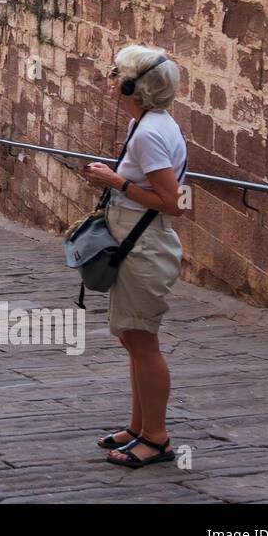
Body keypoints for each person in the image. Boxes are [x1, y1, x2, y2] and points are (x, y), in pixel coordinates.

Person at [81, 45, 187, 469]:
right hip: (133, 241)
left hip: (145, 247)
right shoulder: (145, 122)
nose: (109, 79)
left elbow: (172, 202)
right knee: (132, 338)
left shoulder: (147, 133)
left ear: (131, 86)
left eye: (114, 73)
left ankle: (157, 439)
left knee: (143, 342)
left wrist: (115, 182)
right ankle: (139, 427)